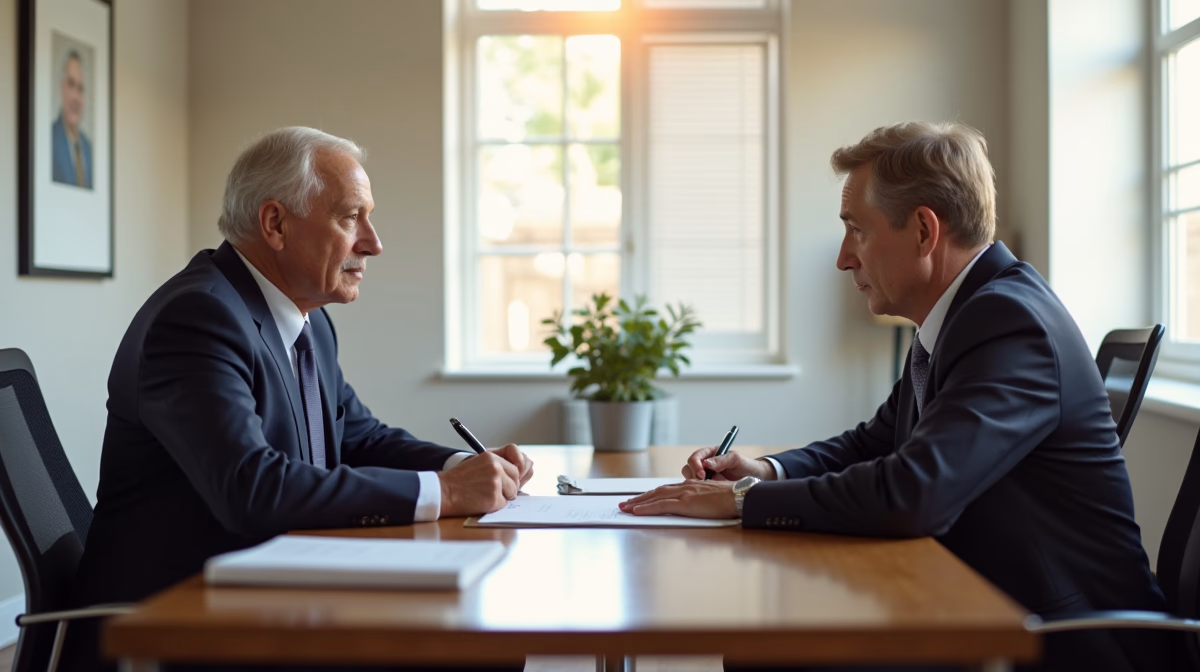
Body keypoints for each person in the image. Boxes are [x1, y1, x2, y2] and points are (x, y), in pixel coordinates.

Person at [620, 121, 1183, 672]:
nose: (845, 257)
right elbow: (876, 441)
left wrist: (743, 502)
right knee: (770, 641)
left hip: (1070, 643)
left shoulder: (1009, 322)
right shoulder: (963, 316)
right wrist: (764, 471)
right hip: (995, 606)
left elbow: (915, 492)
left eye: (857, 230)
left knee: (772, 648)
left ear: (923, 231)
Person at [67, 127, 532, 671]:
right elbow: (251, 486)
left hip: (267, 585)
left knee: (480, 641)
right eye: (350, 217)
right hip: (181, 618)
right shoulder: (198, 318)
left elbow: (357, 436)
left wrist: (465, 466)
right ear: (275, 224)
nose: (373, 242)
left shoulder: (306, 321)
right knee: (475, 653)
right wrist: (446, 493)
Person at [52, 49, 92, 188]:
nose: (76, 97)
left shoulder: (89, 148)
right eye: (71, 84)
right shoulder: (49, 140)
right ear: (62, 87)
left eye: (80, 89)